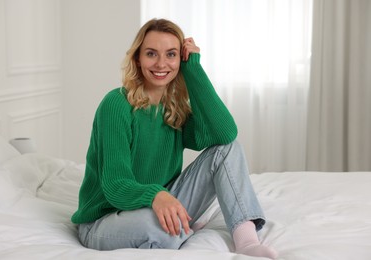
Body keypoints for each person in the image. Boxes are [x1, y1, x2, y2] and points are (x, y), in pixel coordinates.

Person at [71, 18, 277, 259]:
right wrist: (156, 196)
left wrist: (194, 69)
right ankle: (180, 228)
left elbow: (225, 134)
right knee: (156, 229)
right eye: (151, 54)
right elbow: (115, 186)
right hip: (105, 221)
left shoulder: (174, 108)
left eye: (171, 54)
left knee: (228, 149)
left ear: (180, 59)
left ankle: (246, 240)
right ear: (138, 58)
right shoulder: (116, 104)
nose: (161, 63)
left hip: (160, 204)